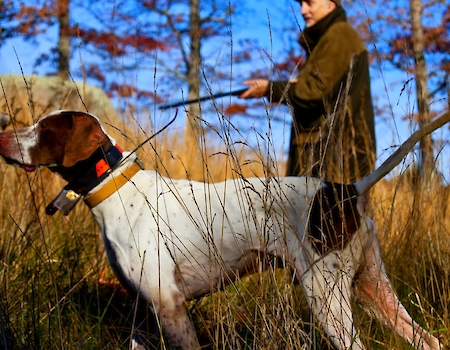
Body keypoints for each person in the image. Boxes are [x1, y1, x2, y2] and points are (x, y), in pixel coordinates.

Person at [240, 0, 375, 183]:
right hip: (321, 150)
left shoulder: (340, 34)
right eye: (301, 4)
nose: (303, 10)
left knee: (328, 212)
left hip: (333, 154)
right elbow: (319, 86)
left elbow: (314, 91)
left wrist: (269, 89)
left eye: (310, 2)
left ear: (330, 4)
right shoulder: (326, 39)